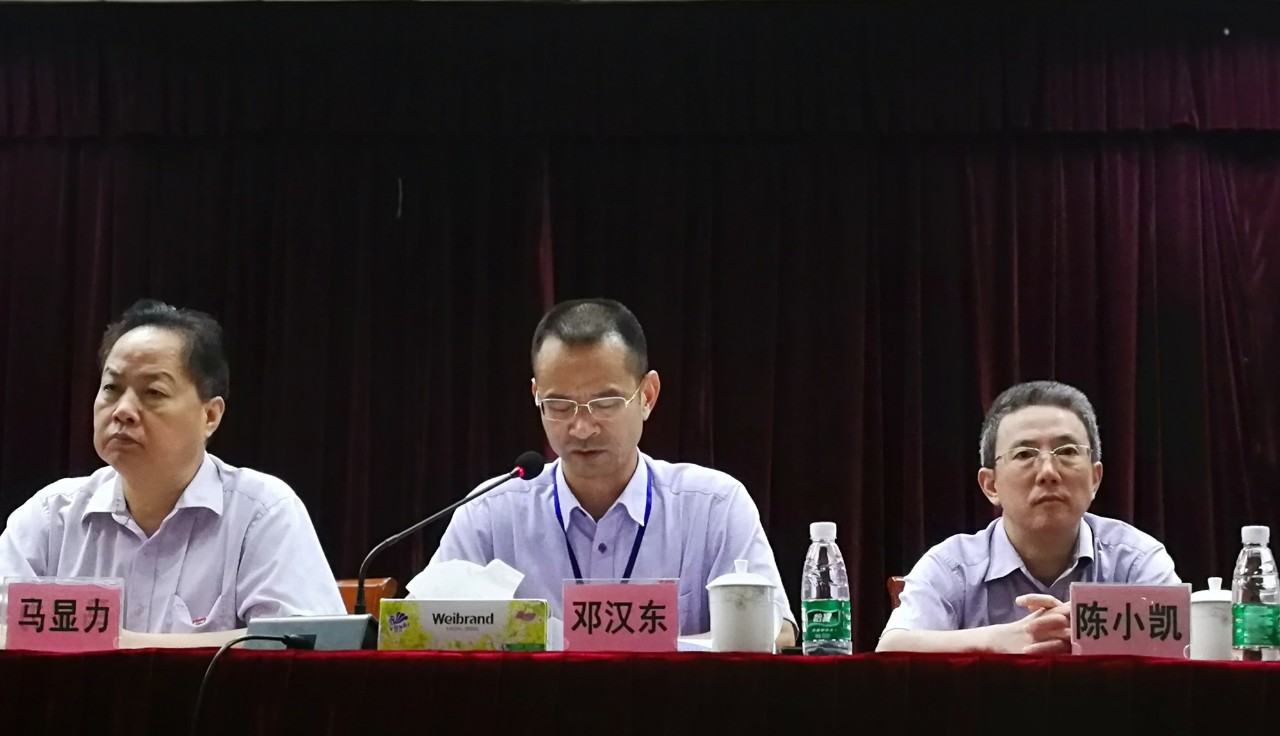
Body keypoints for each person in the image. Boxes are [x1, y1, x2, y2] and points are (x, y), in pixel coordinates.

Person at [428, 298, 796, 643]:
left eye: (605, 403)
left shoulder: (714, 506)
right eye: (559, 405)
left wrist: (665, 652)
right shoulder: (491, 511)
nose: (581, 428)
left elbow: (778, 632)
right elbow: (421, 627)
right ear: (536, 396)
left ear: (647, 396)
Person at [0, 299, 345, 644]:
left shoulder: (261, 513)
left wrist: (125, 646)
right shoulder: (51, 517)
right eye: (111, 388)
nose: (123, 410)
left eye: (153, 392)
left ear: (210, 416)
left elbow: (304, 646)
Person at [877, 380, 1180, 654]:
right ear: (990, 485)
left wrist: (1085, 635)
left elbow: (1186, 647)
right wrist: (1001, 639)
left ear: (1095, 478)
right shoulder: (954, 566)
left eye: (1067, 451)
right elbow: (891, 648)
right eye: (1024, 454)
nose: (1048, 472)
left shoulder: (1135, 560)